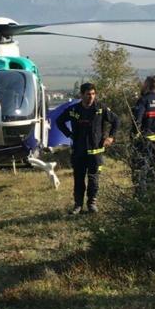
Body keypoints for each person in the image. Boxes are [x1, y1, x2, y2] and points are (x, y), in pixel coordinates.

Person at [55, 82, 120, 214]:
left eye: (93, 94)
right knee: (78, 179)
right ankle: (78, 205)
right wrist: (69, 135)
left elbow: (116, 121)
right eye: (88, 94)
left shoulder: (100, 108)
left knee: (93, 179)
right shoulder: (74, 110)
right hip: (79, 151)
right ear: (81, 95)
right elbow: (59, 121)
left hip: (96, 152)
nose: (91, 97)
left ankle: (92, 203)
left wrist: (111, 137)